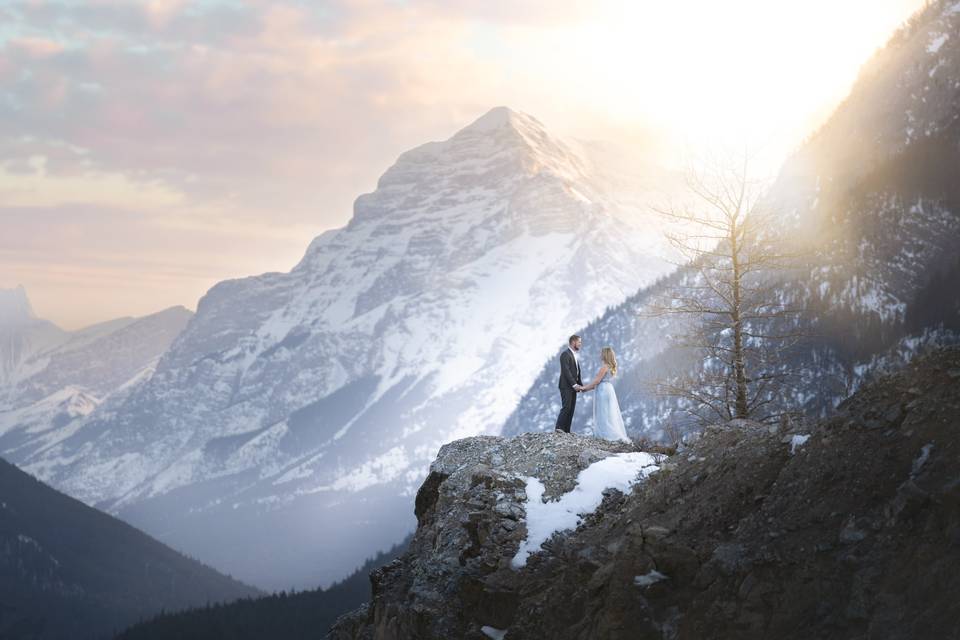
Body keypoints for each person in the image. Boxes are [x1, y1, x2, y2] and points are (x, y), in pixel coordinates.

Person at [580, 346, 630, 443]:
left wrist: (584, 388)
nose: (600, 355)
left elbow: (597, 381)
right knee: (608, 412)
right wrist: (586, 389)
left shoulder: (604, 367)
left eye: (601, 353)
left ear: (605, 355)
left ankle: (606, 434)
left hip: (602, 390)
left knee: (602, 412)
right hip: (609, 389)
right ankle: (608, 433)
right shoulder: (611, 367)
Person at [555, 334, 583, 433]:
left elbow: (577, 372)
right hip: (566, 386)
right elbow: (566, 371)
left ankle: (567, 431)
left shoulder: (574, 355)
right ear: (573, 342)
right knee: (566, 407)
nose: (580, 344)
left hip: (573, 387)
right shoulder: (565, 354)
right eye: (579, 342)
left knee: (571, 408)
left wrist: (581, 385)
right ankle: (559, 428)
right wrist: (574, 384)